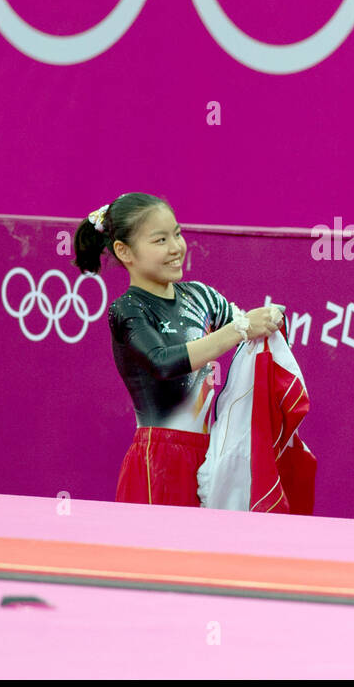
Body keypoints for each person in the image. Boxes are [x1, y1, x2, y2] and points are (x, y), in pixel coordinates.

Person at [73, 193, 284, 506]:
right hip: (158, 459)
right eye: (160, 240)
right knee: (153, 554)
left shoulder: (201, 297)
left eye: (177, 234)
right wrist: (238, 329)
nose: (176, 248)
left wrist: (269, 320)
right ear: (124, 251)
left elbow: (252, 334)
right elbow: (162, 363)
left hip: (211, 454)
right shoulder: (129, 309)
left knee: (204, 553)